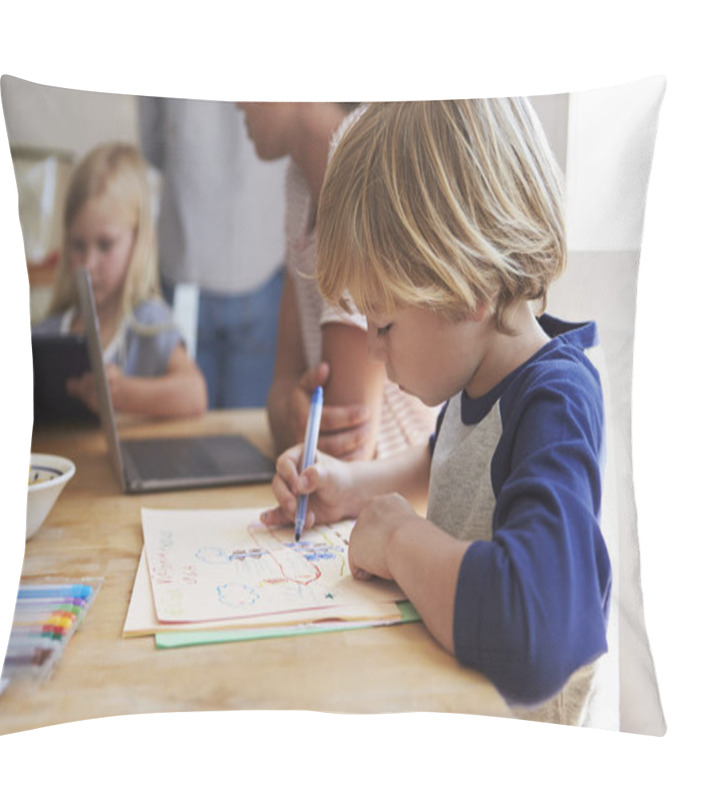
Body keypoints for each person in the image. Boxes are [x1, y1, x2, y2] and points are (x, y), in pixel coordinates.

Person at [262, 100, 612, 725]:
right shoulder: (481, 375)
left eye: (384, 322)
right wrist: (346, 489)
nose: (371, 347)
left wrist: (400, 538)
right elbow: (445, 463)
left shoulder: (555, 402)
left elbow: (534, 634)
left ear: (468, 285)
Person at [236, 102, 438, 461]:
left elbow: (344, 452)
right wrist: (289, 416)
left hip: (396, 496)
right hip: (350, 496)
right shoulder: (300, 183)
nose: (233, 101)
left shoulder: (367, 180)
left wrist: (293, 422)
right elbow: (282, 393)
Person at [33, 142, 207, 418]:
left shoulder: (150, 325)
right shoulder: (48, 336)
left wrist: (123, 393)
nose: (88, 265)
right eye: (78, 245)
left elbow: (195, 394)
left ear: (139, 241)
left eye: (105, 245)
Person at [139, 98, 287, 409]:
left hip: (187, 258)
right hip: (262, 253)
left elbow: (152, 142)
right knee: (250, 434)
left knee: (183, 435)